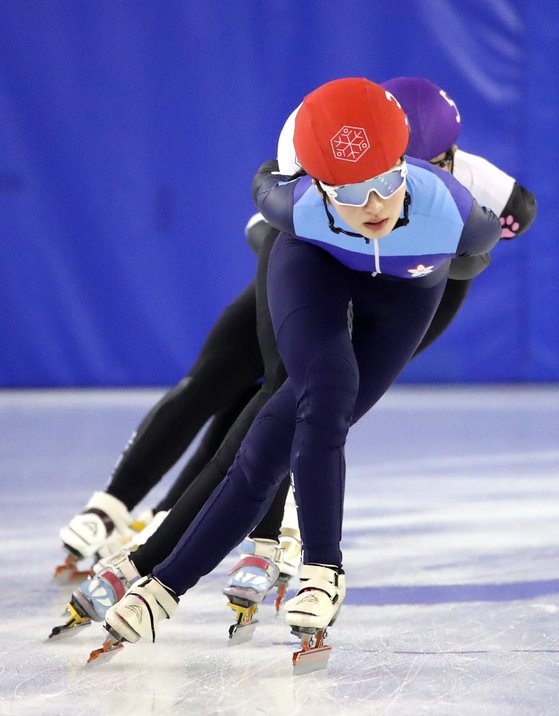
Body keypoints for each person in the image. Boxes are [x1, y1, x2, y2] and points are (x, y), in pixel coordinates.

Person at [56, 77, 536, 643]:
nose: (374, 205)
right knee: (286, 396)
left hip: (407, 288)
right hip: (317, 265)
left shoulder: (456, 206)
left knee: (310, 416)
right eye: (351, 191)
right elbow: (265, 199)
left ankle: (297, 562)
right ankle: (166, 572)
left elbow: (504, 225)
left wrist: (441, 261)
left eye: (389, 180)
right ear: (318, 182)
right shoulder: (296, 204)